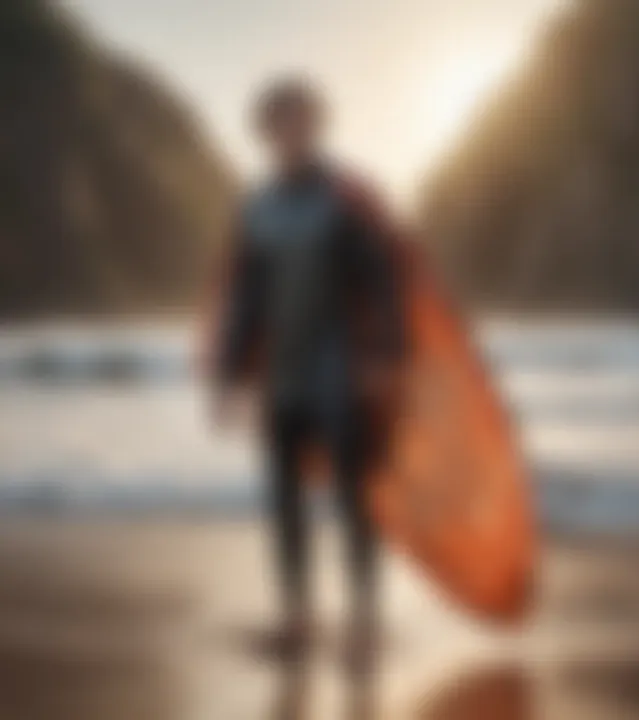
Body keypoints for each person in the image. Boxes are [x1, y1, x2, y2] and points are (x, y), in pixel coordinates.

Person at [209, 76, 406, 668]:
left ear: (317, 125)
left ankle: (364, 621)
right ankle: (296, 616)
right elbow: (245, 297)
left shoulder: (345, 199)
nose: (291, 132)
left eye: (300, 120)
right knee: (282, 496)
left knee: (353, 497)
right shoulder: (257, 209)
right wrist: (228, 377)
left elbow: (383, 279)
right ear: (265, 132)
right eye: (279, 122)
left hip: (340, 369)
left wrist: (384, 356)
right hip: (283, 374)